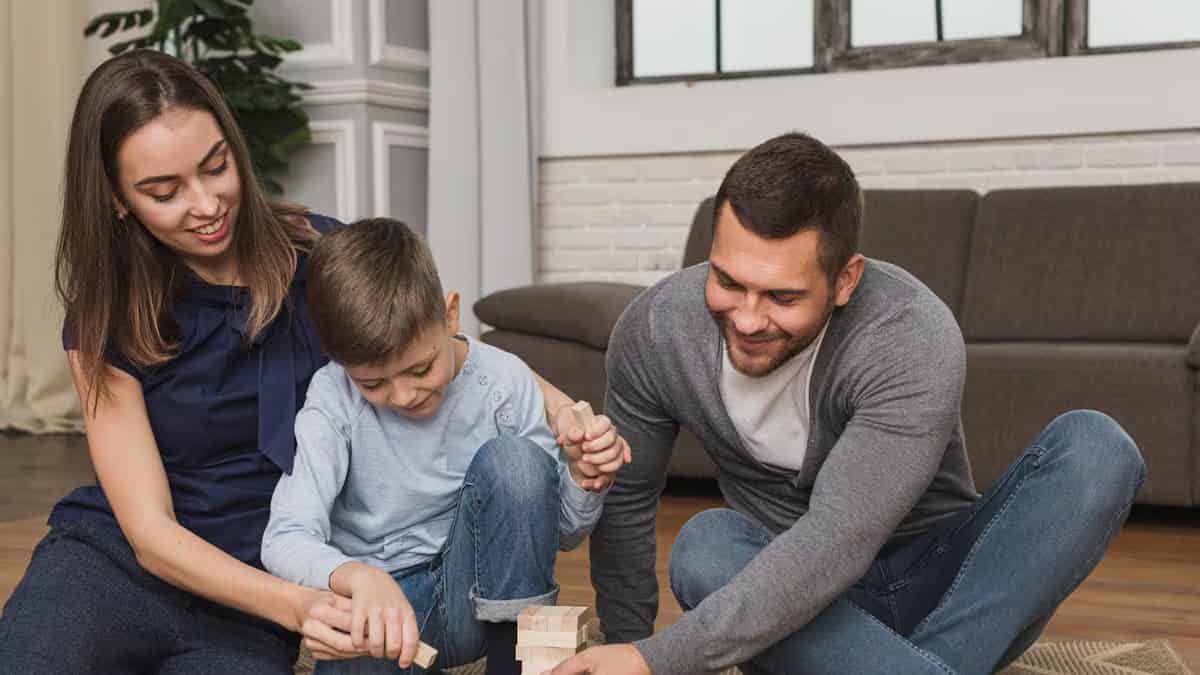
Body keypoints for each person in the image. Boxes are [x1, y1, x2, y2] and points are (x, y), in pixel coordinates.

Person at [0, 50, 624, 675]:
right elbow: (150, 535)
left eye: (216, 167)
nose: (207, 204)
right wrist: (303, 605)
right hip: (124, 569)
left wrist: (569, 416)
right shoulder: (105, 310)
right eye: (164, 193)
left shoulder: (322, 255)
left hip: (253, 600)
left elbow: (454, 354)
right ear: (116, 199)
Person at [552, 133, 1147, 675]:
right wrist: (628, 642)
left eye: (783, 296)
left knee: (1098, 447)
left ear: (846, 279)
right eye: (728, 281)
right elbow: (625, 497)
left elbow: (840, 536)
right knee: (706, 547)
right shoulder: (657, 330)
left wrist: (661, 659)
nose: (749, 318)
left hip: (946, 585)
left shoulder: (909, 334)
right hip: (786, 603)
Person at [261, 218, 623, 675]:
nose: (403, 396)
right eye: (372, 383)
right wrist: (358, 577)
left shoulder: (504, 381)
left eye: (420, 369)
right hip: (386, 608)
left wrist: (583, 477)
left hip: (483, 597)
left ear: (451, 316)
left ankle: (514, 663)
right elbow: (284, 538)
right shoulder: (333, 399)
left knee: (516, 462)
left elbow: (562, 532)